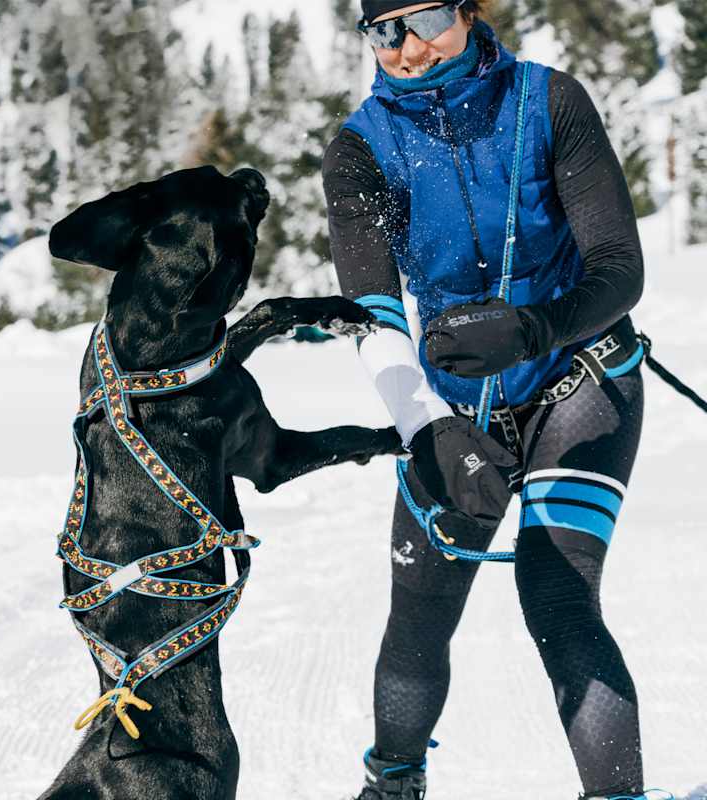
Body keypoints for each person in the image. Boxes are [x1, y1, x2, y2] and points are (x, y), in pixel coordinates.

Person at [323, 1, 655, 798]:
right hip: (452, 407)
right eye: (383, 28)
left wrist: (540, 328)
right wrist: (428, 428)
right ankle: (394, 782)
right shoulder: (361, 149)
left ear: (470, 11)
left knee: (557, 592)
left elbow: (619, 265)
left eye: (427, 17)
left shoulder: (550, 101)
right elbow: (371, 313)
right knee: (422, 608)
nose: (406, 46)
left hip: (582, 379)